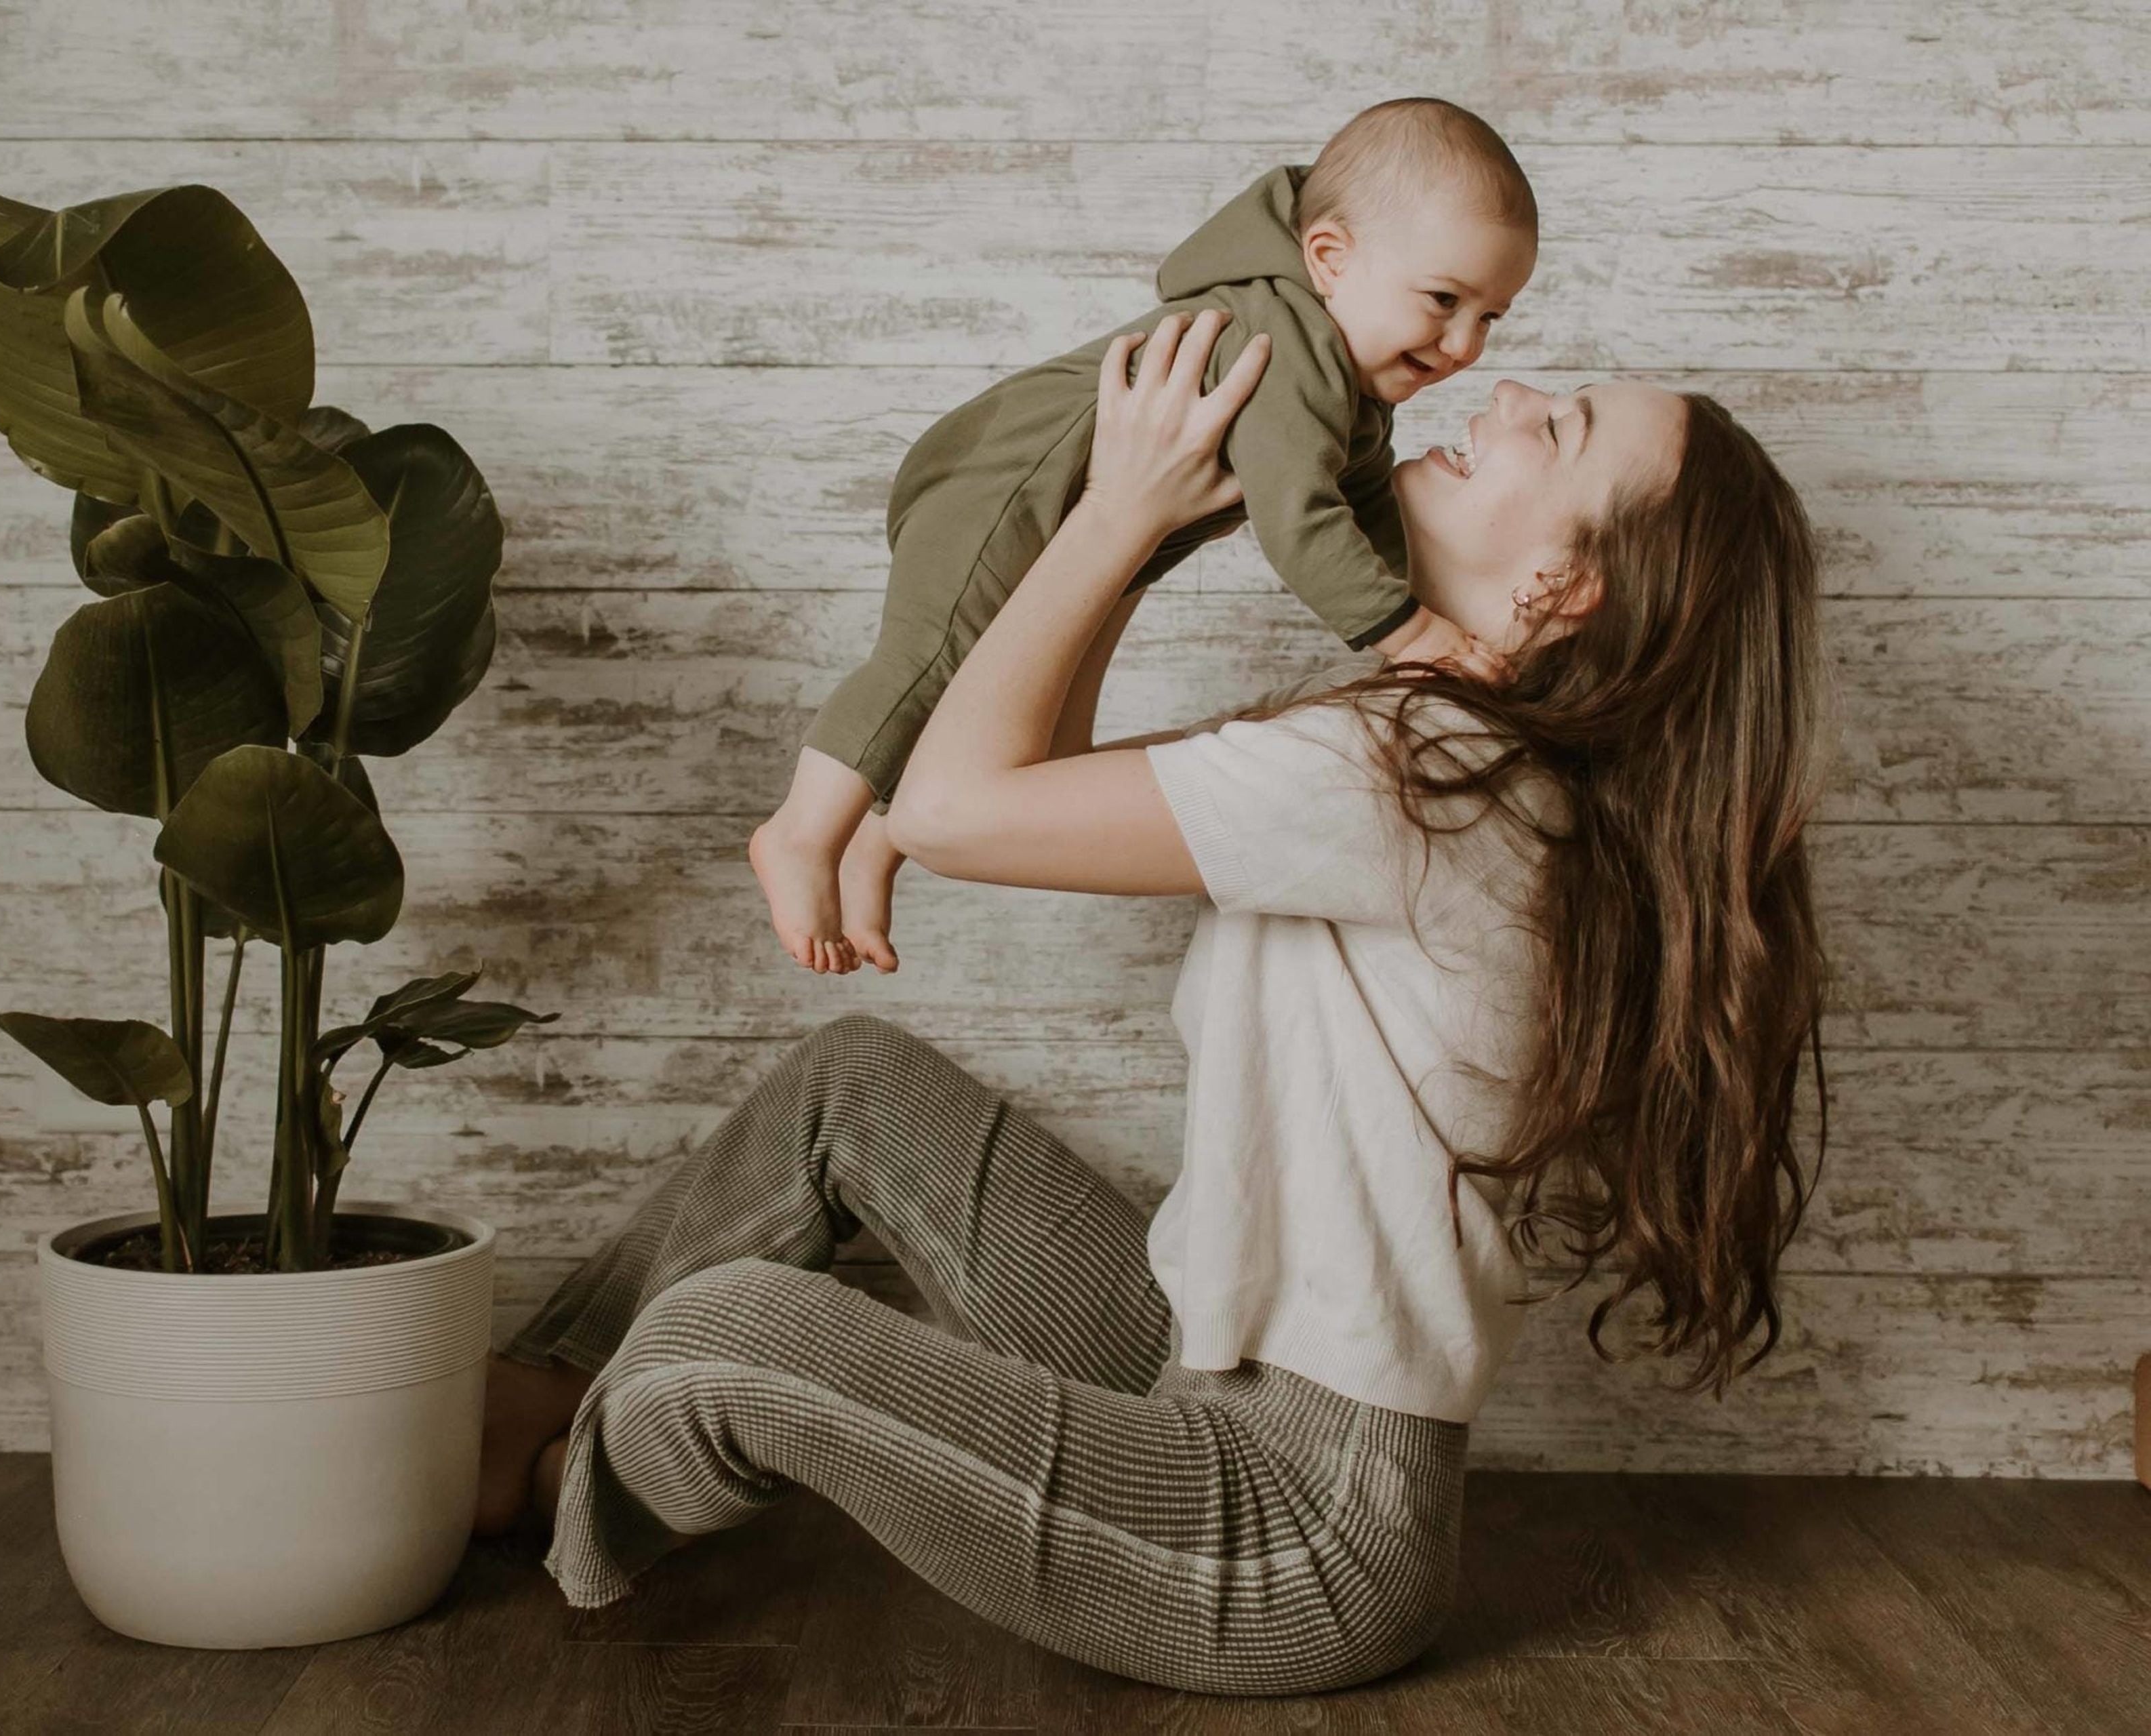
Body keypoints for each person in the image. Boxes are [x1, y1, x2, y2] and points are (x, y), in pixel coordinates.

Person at [473, 309, 1831, 1697]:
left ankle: (524, 1488)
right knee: (853, 1088)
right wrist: (1154, 515)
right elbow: (1038, 767)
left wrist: (1118, 514)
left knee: (731, 1336)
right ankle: (522, 1396)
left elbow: (952, 807)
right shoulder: (1428, 754)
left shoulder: (1414, 781)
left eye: (1563, 429)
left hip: (1298, 1526)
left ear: (1561, 582)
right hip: (1201, 1359)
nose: (1514, 393)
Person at [750, 98, 1536, 977]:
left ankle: (874, 839)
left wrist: (1435, 628)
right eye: (1444, 300)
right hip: (1002, 481)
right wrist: (1415, 634)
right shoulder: (1285, 347)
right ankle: (799, 831)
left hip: (1085, 512)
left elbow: (1368, 518)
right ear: (1330, 259)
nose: (1465, 344)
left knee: (1000, 708)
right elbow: (1302, 525)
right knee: (925, 658)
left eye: (1490, 318)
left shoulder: (1355, 399)